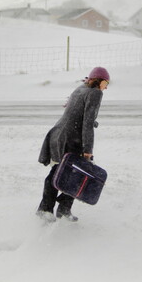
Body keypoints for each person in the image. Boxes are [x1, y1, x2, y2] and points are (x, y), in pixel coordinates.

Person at [36, 66, 110, 222]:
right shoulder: (96, 93)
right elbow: (87, 123)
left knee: (70, 171)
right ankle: (47, 209)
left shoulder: (82, 88)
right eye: (106, 83)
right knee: (65, 171)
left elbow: (78, 114)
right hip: (70, 138)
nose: (106, 87)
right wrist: (88, 150)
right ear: (99, 81)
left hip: (58, 134)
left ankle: (60, 208)